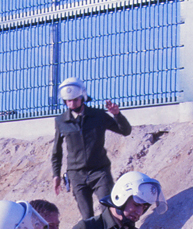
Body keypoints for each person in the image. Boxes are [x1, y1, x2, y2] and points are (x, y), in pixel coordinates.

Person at [51, 77, 132, 221]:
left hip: (100, 172)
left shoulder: (98, 115)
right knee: (87, 217)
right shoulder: (60, 121)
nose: (71, 103)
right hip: (76, 175)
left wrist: (117, 115)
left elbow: (125, 131)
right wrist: (56, 174)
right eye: (67, 101)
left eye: (75, 99)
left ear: (83, 97)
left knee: (109, 210)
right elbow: (57, 151)